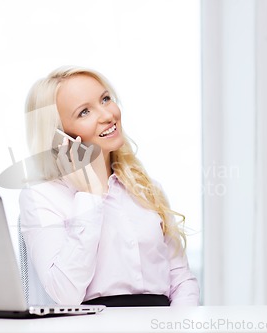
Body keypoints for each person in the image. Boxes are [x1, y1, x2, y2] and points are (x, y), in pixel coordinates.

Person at [19, 66, 200, 307]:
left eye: (105, 99)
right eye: (84, 112)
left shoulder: (146, 188)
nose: (107, 115)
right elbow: (65, 294)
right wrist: (89, 195)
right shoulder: (42, 197)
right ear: (60, 137)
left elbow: (181, 282)